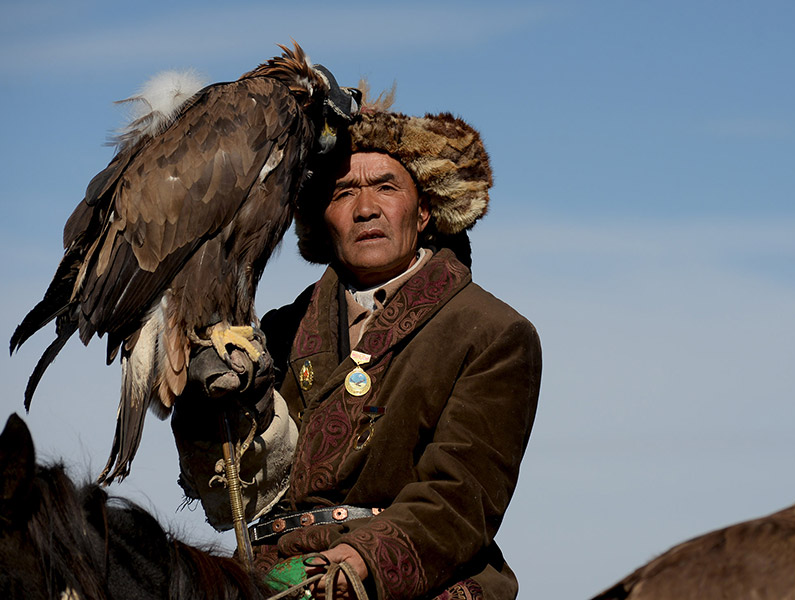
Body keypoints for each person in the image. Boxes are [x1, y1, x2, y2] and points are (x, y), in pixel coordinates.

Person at [171, 94, 542, 600]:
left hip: (412, 579)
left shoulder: (492, 332)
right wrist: (202, 405)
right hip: (268, 573)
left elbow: (462, 497)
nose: (365, 208)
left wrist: (360, 561)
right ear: (324, 219)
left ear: (425, 210)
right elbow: (232, 490)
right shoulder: (273, 333)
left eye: (386, 186)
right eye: (344, 192)